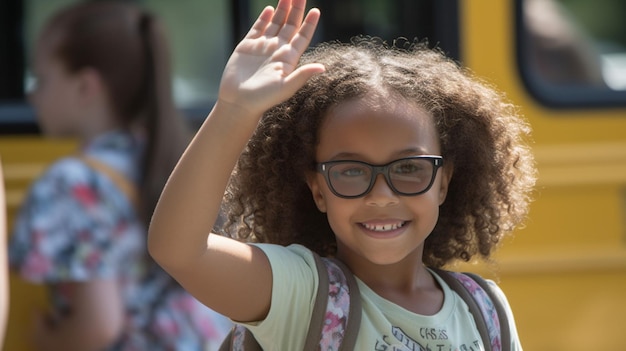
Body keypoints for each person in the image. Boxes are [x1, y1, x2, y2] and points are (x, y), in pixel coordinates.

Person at [148, 0, 537, 349]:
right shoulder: (302, 294)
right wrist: (234, 110)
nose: (382, 195)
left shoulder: (485, 309)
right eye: (351, 171)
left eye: (408, 168)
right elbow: (179, 250)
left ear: (444, 182)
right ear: (317, 189)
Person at [8, 1, 231, 350]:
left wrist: (44, 339)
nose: (31, 94)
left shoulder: (73, 182)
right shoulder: (170, 154)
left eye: (41, 78)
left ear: (85, 87)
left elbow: (97, 327)